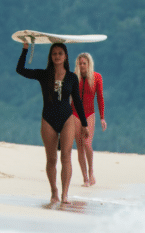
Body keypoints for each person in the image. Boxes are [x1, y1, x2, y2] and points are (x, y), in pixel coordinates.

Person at [16, 41, 88, 205]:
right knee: (51, 159)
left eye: (60, 53)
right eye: (54, 53)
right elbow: (20, 70)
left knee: (66, 157)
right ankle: (54, 191)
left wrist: (84, 124)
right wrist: (25, 49)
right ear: (51, 56)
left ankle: (64, 194)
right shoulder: (44, 74)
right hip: (48, 119)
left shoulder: (72, 77)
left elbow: (77, 101)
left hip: (67, 119)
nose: (57, 56)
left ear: (65, 56)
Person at [72, 52, 106, 186]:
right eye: (79, 63)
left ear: (89, 64)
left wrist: (102, 118)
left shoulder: (97, 77)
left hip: (89, 114)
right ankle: (85, 178)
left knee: (87, 144)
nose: (81, 66)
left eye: (84, 63)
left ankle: (91, 171)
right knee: (79, 146)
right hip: (75, 113)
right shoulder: (74, 77)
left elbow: (100, 98)